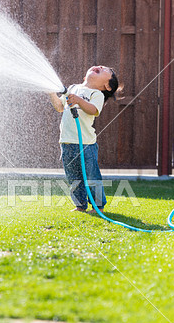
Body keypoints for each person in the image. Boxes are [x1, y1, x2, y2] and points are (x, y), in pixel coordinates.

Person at [49, 65, 120, 213]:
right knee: (73, 176)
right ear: (84, 77)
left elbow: (93, 110)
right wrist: (50, 92)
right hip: (66, 142)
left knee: (91, 175)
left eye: (106, 70)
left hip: (86, 144)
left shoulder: (96, 94)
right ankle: (80, 205)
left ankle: (97, 206)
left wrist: (79, 101)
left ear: (107, 85)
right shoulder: (73, 88)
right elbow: (60, 107)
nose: (100, 66)